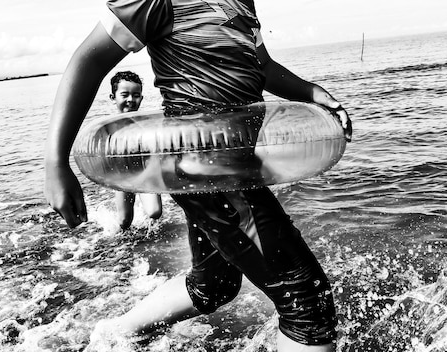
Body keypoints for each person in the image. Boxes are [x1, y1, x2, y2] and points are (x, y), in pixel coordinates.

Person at [44, 1, 352, 351]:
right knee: (307, 303)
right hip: (205, 169)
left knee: (216, 284)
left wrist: (312, 92)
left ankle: (113, 336)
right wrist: (56, 162)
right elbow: (89, 60)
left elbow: (261, 66)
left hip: (238, 165)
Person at [107, 71, 163, 230]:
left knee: (155, 212)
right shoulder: (108, 128)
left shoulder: (146, 125)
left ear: (142, 98)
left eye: (136, 95)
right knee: (124, 222)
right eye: (124, 95)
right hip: (122, 176)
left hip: (145, 173)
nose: (131, 99)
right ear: (113, 98)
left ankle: (153, 235)